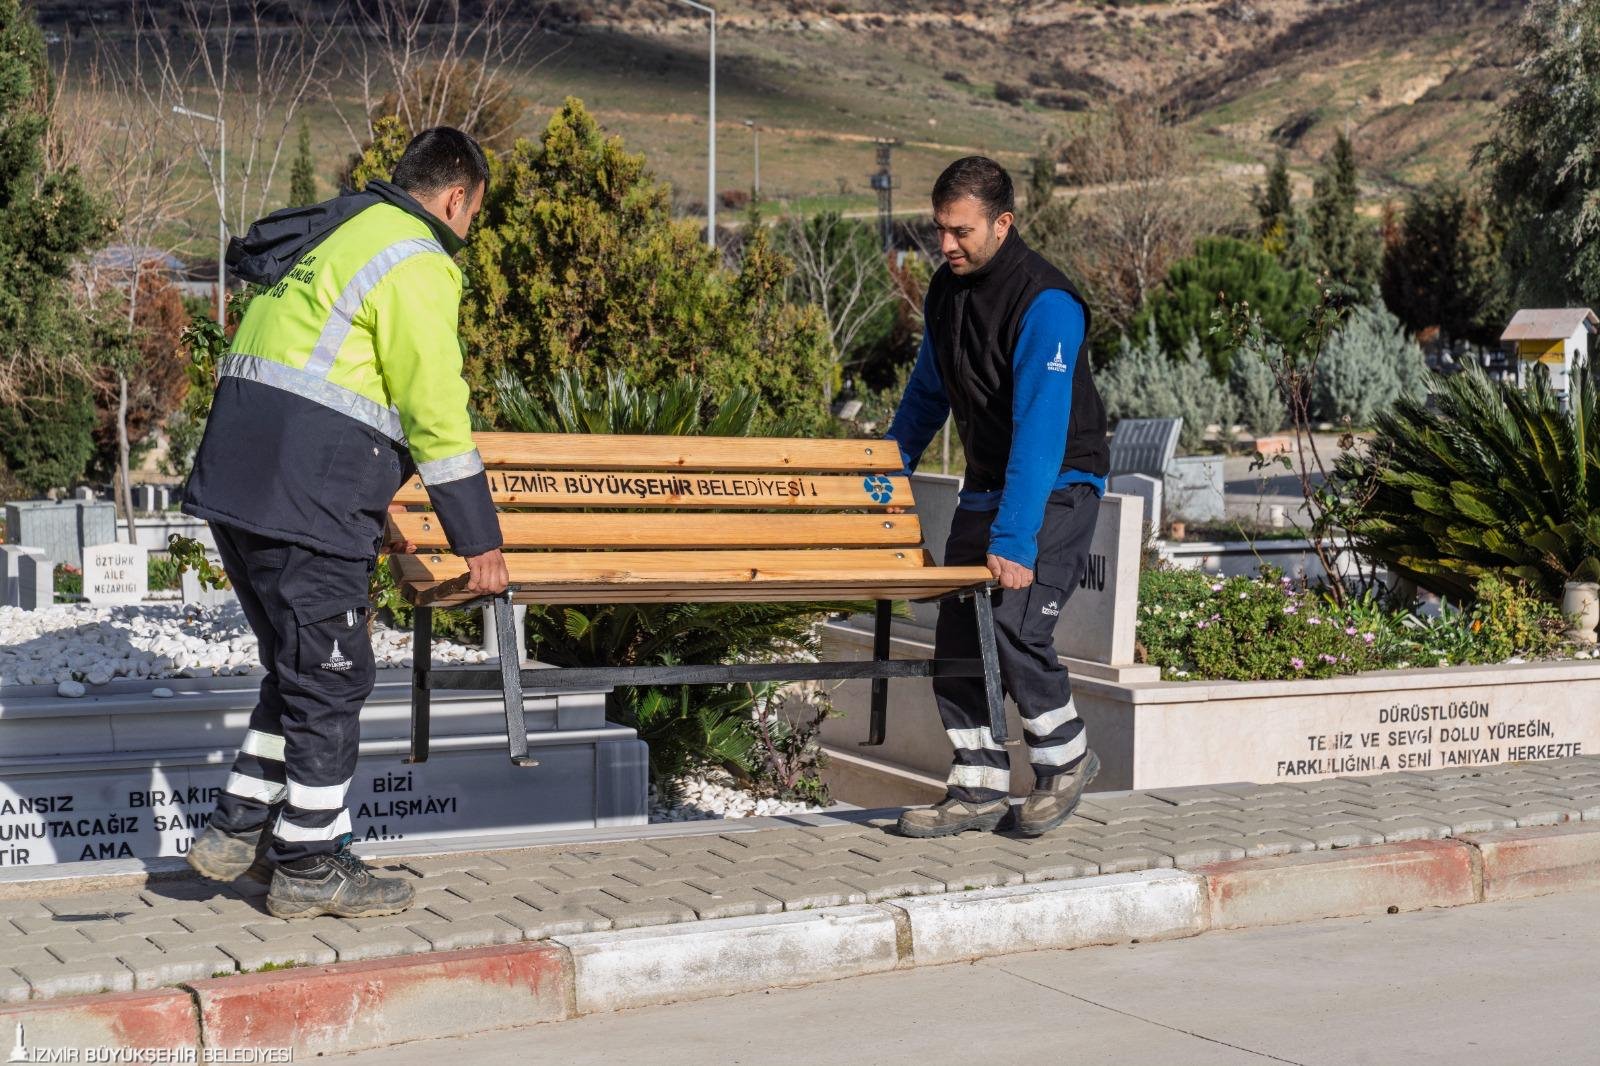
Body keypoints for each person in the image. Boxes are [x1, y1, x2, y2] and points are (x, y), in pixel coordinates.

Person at [180, 128, 509, 918]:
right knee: (335, 680)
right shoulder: (417, 258)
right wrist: (481, 542)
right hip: (307, 499)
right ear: (457, 198)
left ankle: (237, 830)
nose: (467, 232)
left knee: (300, 670)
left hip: (239, 482)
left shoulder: (338, 229)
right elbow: (435, 407)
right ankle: (308, 865)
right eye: (474, 216)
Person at [886, 155, 1108, 838]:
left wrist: (1013, 540)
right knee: (959, 636)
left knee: (1013, 624)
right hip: (987, 482)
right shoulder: (947, 292)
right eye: (939, 230)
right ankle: (977, 785)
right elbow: (928, 390)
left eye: (961, 231)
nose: (946, 245)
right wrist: (883, 467)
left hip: (1059, 483)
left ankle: (1065, 759)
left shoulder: (1047, 303)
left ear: (1004, 223)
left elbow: (1040, 428)